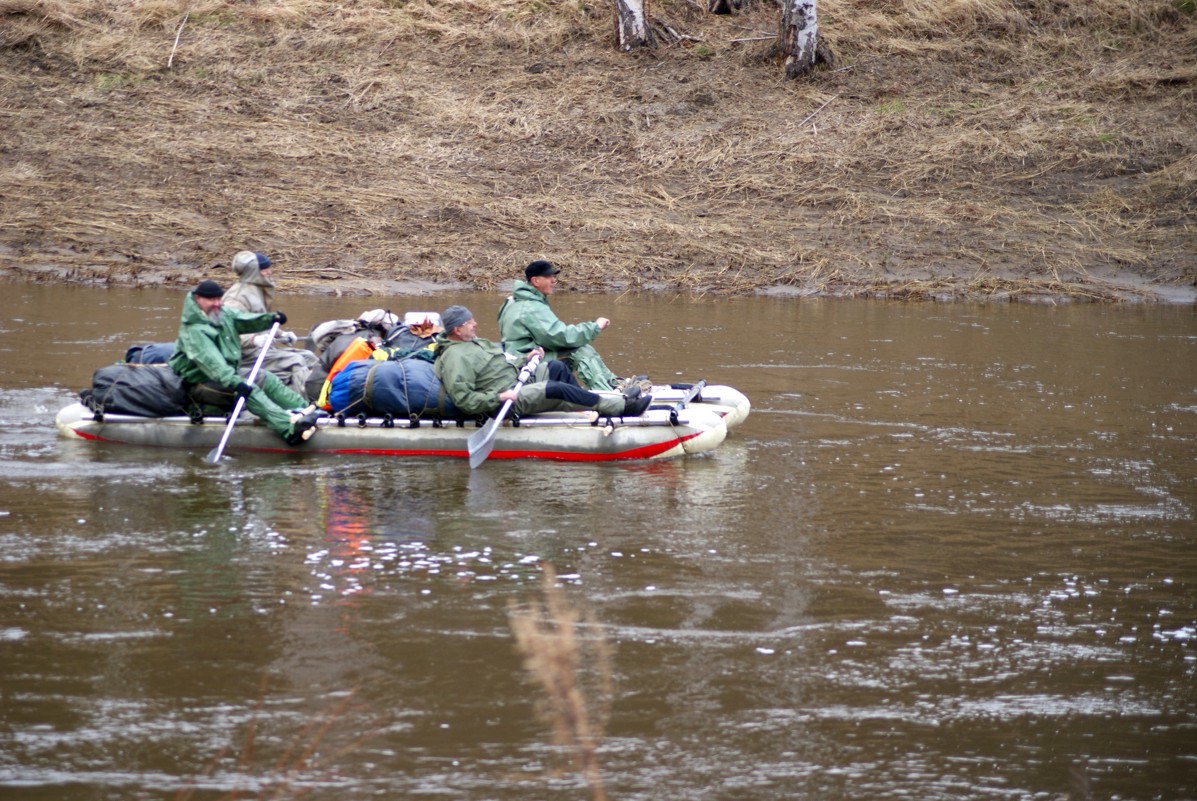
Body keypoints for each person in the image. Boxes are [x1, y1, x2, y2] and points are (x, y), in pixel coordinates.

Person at [168, 279, 320, 446]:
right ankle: (289, 429)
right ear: (198, 299)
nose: (216, 304)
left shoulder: (222, 314)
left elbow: (245, 319)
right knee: (249, 389)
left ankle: (309, 411)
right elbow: (214, 364)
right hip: (200, 383)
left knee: (266, 378)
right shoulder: (195, 330)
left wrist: (270, 319)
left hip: (225, 376)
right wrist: (236, 383)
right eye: (211, 300)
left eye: (219, 299)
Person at [433, 305, 652, 420]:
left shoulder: (474, 342)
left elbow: (501, 361)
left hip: (516, 380)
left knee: (556, 367)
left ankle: (585, 409)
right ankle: (622, 408)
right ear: (456, 330)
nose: (475, 323)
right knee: (555, 389)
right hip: (506, 400)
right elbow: (465, 400)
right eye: (469, 322)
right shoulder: (455, 358)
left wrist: (524, 359)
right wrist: (499, 397)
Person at [497, 260, 624, 391]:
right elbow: (561, 337)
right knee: (581, 351)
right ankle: (607, 392)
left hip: (517, 357)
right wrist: (595, 327)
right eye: (549, 277)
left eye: (554, 277)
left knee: (577, 350)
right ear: (536, 281)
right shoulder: (531, 306)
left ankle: (612, 383)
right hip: (527, 362)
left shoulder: (512, 300)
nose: (553, 281)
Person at [222, 250, 320, 396]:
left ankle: (324, 393)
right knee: (296, 361)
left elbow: (262, 321)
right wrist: (254, 340)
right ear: (254, 271)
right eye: (265, 269)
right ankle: (303, 404)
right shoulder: (236, 299)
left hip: (263, 352)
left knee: (309, 356)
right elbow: (227, 333)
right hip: (244, 357)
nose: (269, 272)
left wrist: (281, 333)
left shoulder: (256, 291)